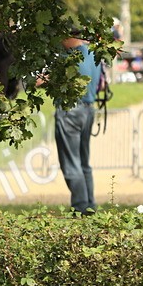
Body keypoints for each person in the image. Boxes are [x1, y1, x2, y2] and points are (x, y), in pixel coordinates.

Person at [53, 34, 101, 215]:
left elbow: (48, 80)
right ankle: (89, 204)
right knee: (83, 162)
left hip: (70, 110)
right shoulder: (93, 54)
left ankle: (80, 206)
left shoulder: (68, 58)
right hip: (88, 110)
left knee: (71, 163)